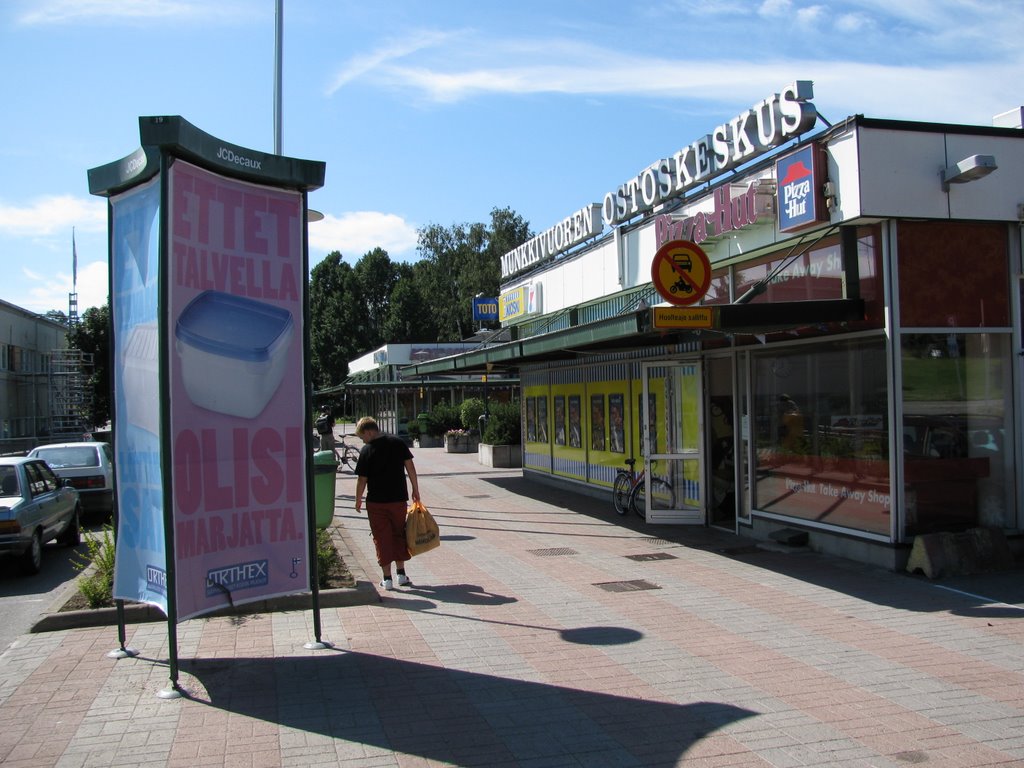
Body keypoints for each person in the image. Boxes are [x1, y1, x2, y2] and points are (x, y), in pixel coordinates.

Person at [353, 416, 421, 591]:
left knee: (381, 538)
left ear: (369, 432)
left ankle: (387, 578)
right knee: (399, 534)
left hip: (376, 502)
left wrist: (358, 499)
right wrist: (415, 489)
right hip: (398, 499)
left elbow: (362, 480)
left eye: (362, 437)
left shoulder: (366, 451)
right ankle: (401, 574)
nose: (363, 440)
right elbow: (410, 467)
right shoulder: (397, 443)